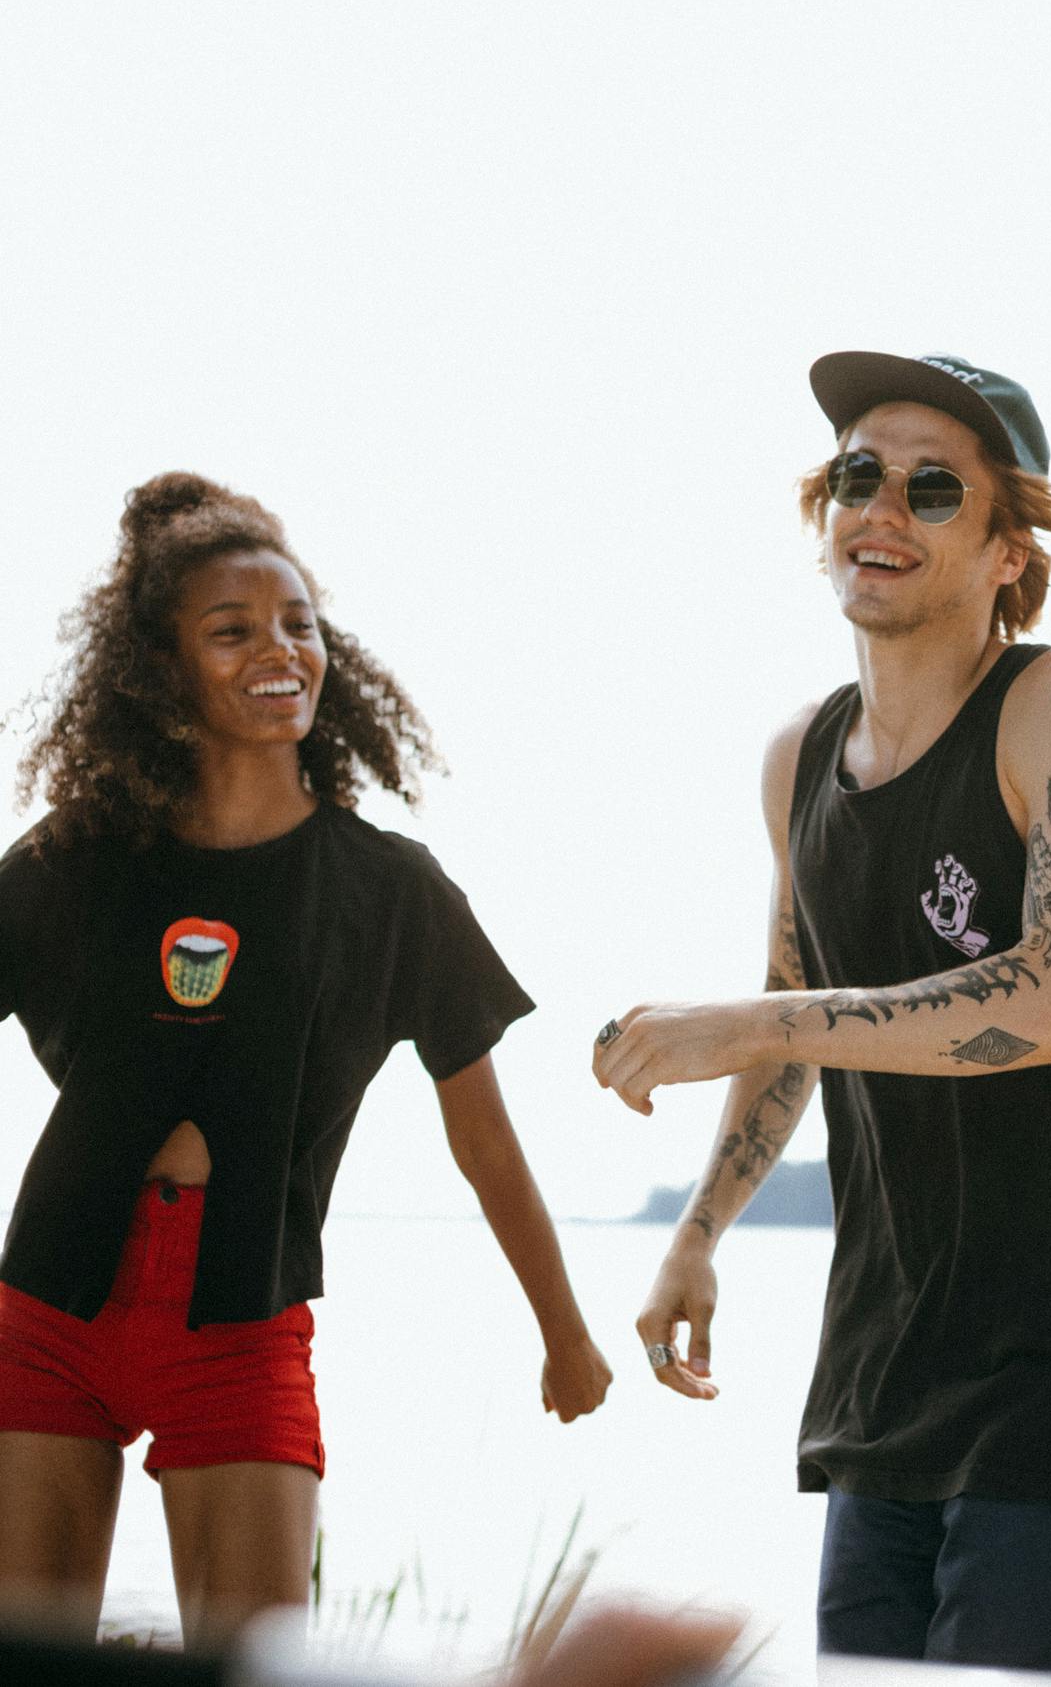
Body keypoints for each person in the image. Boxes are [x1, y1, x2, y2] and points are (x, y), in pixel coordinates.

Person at [600, 353, 1051, 1681]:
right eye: (859, 475)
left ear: (1008, 549)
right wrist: (699, 1233)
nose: (883, 508)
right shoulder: (800, 755)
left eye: (935, 489)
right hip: (886, 1392)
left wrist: (756, 1022)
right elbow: (789, 1020)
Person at [0, 474, 611, 1648]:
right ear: (162, 672)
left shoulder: (391, 894)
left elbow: (481, 1139)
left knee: (261, 1671)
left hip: (240, 1324)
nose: (279, 650)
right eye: (232, 631)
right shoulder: (77, 861)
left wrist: (565, 1333)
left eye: (299, 625)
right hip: (51, 1311)